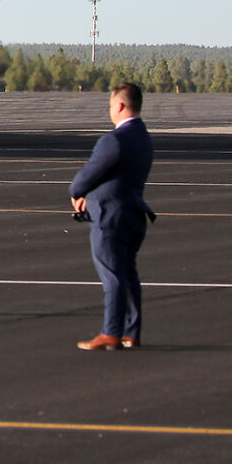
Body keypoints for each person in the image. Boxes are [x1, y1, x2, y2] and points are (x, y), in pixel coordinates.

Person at [69, 82, 154, 350]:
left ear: (119, 105)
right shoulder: (143, 138)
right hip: (133, 214)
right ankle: (130, 331)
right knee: (128, 274)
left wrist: (78, 192)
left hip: (109, 217)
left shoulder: (113, 140)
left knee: (112, 276)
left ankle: (111, 332)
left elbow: (84, 178)